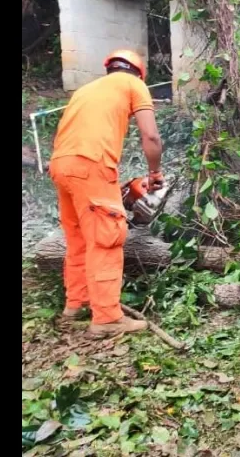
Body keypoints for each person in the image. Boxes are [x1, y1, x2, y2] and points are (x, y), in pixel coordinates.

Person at [49, 50, 164, 338]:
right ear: (138, 72)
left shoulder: (86, 90)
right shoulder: (133, 85)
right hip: (91, 165)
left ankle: (75, 305)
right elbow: (150, 136)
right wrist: (155, 173)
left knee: (78, 239)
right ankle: (106, 318)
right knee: (107, 238)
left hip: (63, 164)